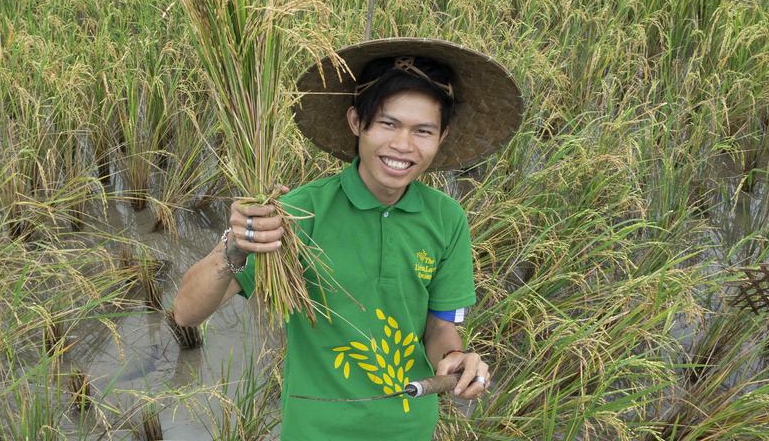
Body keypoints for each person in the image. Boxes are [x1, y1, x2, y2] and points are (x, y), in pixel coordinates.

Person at [171, 38, 524, 441]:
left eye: (422, 130)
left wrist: (457, 359)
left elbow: (441, 328)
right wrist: (234, 245)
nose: (403, 145)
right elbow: (185, 313)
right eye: (388, 124)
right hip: (316, 430)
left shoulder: (447, 219)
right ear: (357, 122)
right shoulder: (299, 213)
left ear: (441, 137)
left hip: (410, 429)